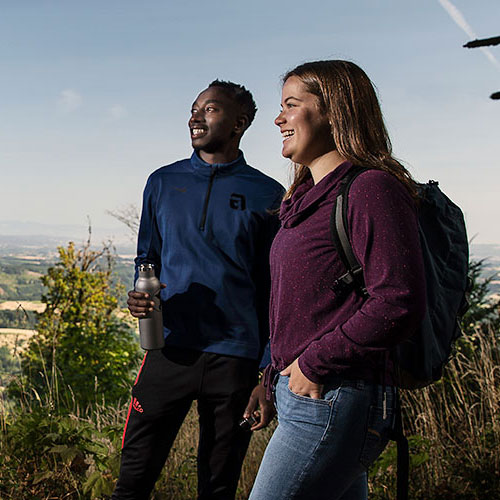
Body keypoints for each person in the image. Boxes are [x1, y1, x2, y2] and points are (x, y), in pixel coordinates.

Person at [248, 60, 427, 500]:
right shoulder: (305, 199)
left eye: (291, 105)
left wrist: (312, 364)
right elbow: (301, 308)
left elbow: (398, 301)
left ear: (333, 111)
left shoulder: (370, 189)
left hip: (335, 397)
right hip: (309, 397)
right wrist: (271, 378)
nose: (278, 118)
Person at [112, 80, 284, 500]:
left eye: (210, 109)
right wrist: (141, 295)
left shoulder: (269, 194)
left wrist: (267, 371)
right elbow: (146, 257)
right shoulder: (163, 182)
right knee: (132, 481)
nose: (195, 117)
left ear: (240, 122)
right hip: (169, 349)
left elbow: (275, 290)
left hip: (237, 361)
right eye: (194, 109)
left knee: (218, 486)